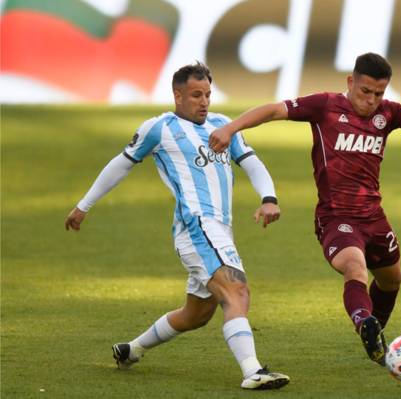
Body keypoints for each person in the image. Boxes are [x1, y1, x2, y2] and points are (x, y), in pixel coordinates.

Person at [208, 53, 401, 366]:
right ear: (350, 82)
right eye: (365, 91)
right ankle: (363, 322)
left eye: (379, 93)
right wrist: (231, 128)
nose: (371, 100)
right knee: (354, 266)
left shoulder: (389, 113)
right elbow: (274, 110)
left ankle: (375, 335)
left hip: (374, 216)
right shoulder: (325, 106)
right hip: (336, 217)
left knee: (392, 280)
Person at [64, 62, 290, 390]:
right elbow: (120, 165)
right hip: (196, 226)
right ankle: (252, 371)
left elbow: (253, 164)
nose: (204, 101)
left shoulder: (223, 126)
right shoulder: (159, 128)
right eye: (196, 95)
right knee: (237, 290)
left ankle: (132, 349)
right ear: (178, 95)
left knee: (196, 315)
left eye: (208, 94)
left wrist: (269, 197)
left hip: (220, 229)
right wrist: (83, 206)